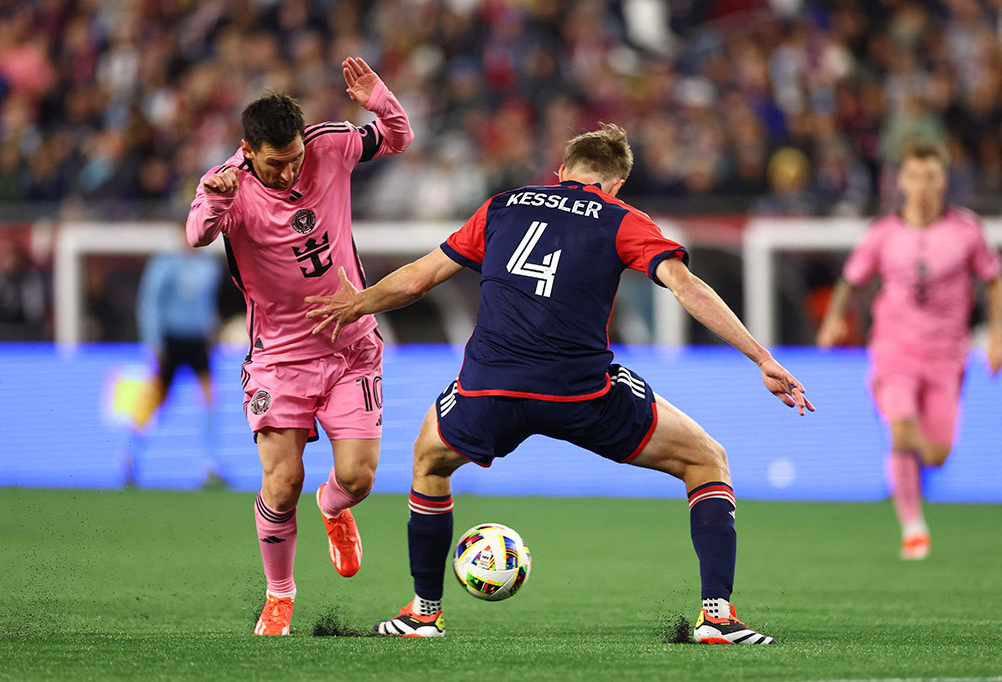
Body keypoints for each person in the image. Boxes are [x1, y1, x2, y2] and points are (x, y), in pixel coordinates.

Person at [306, 123, 814, 644]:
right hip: (579, 393)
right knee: (706, 459)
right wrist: (761, 357)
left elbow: (420, 278)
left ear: (563, 172)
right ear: (615, 185)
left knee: (429, 460)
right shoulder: (623, 219)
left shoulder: (502, 206)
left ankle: (422, 613)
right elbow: (686, 286)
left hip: (489, 390)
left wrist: (358, 303)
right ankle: (717, 618)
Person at [185, 56, 414, 636]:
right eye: (275, 163)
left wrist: (379, 98)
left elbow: (399, 135)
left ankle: (333, 506)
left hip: (350, 347)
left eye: (294, 159)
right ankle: (280, 593)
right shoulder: (226, 183)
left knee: (359, 477)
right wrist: (214, 198)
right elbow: (196, 236)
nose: (289, 172)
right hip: (279, 360)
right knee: (281, 483)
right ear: (249, 149)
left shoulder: (330, 145)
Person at [817, 141, 1001, 560]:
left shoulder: (965, 231)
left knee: (936, 454)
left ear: (943, 181)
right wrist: (832, 320)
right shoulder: (883, 234)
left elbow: (993, 280)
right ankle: (913, 527)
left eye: (930, 176)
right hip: (894, 348)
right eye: (914, 176)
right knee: (901, 430)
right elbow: (851, 280)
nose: (922, 186)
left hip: (946, 353)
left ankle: (914, 465)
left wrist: (996, 336)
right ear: (901, 181)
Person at [131, 232, 223, 485]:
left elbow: (208, 304)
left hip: (196, 340)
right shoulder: (165, 264)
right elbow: (150, 303)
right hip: (170, 339)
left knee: (209, 397)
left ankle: (209, 464)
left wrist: (211, 329)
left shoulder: (209, 266)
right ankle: (130, 454)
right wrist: (154, 342)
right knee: (158, 400)